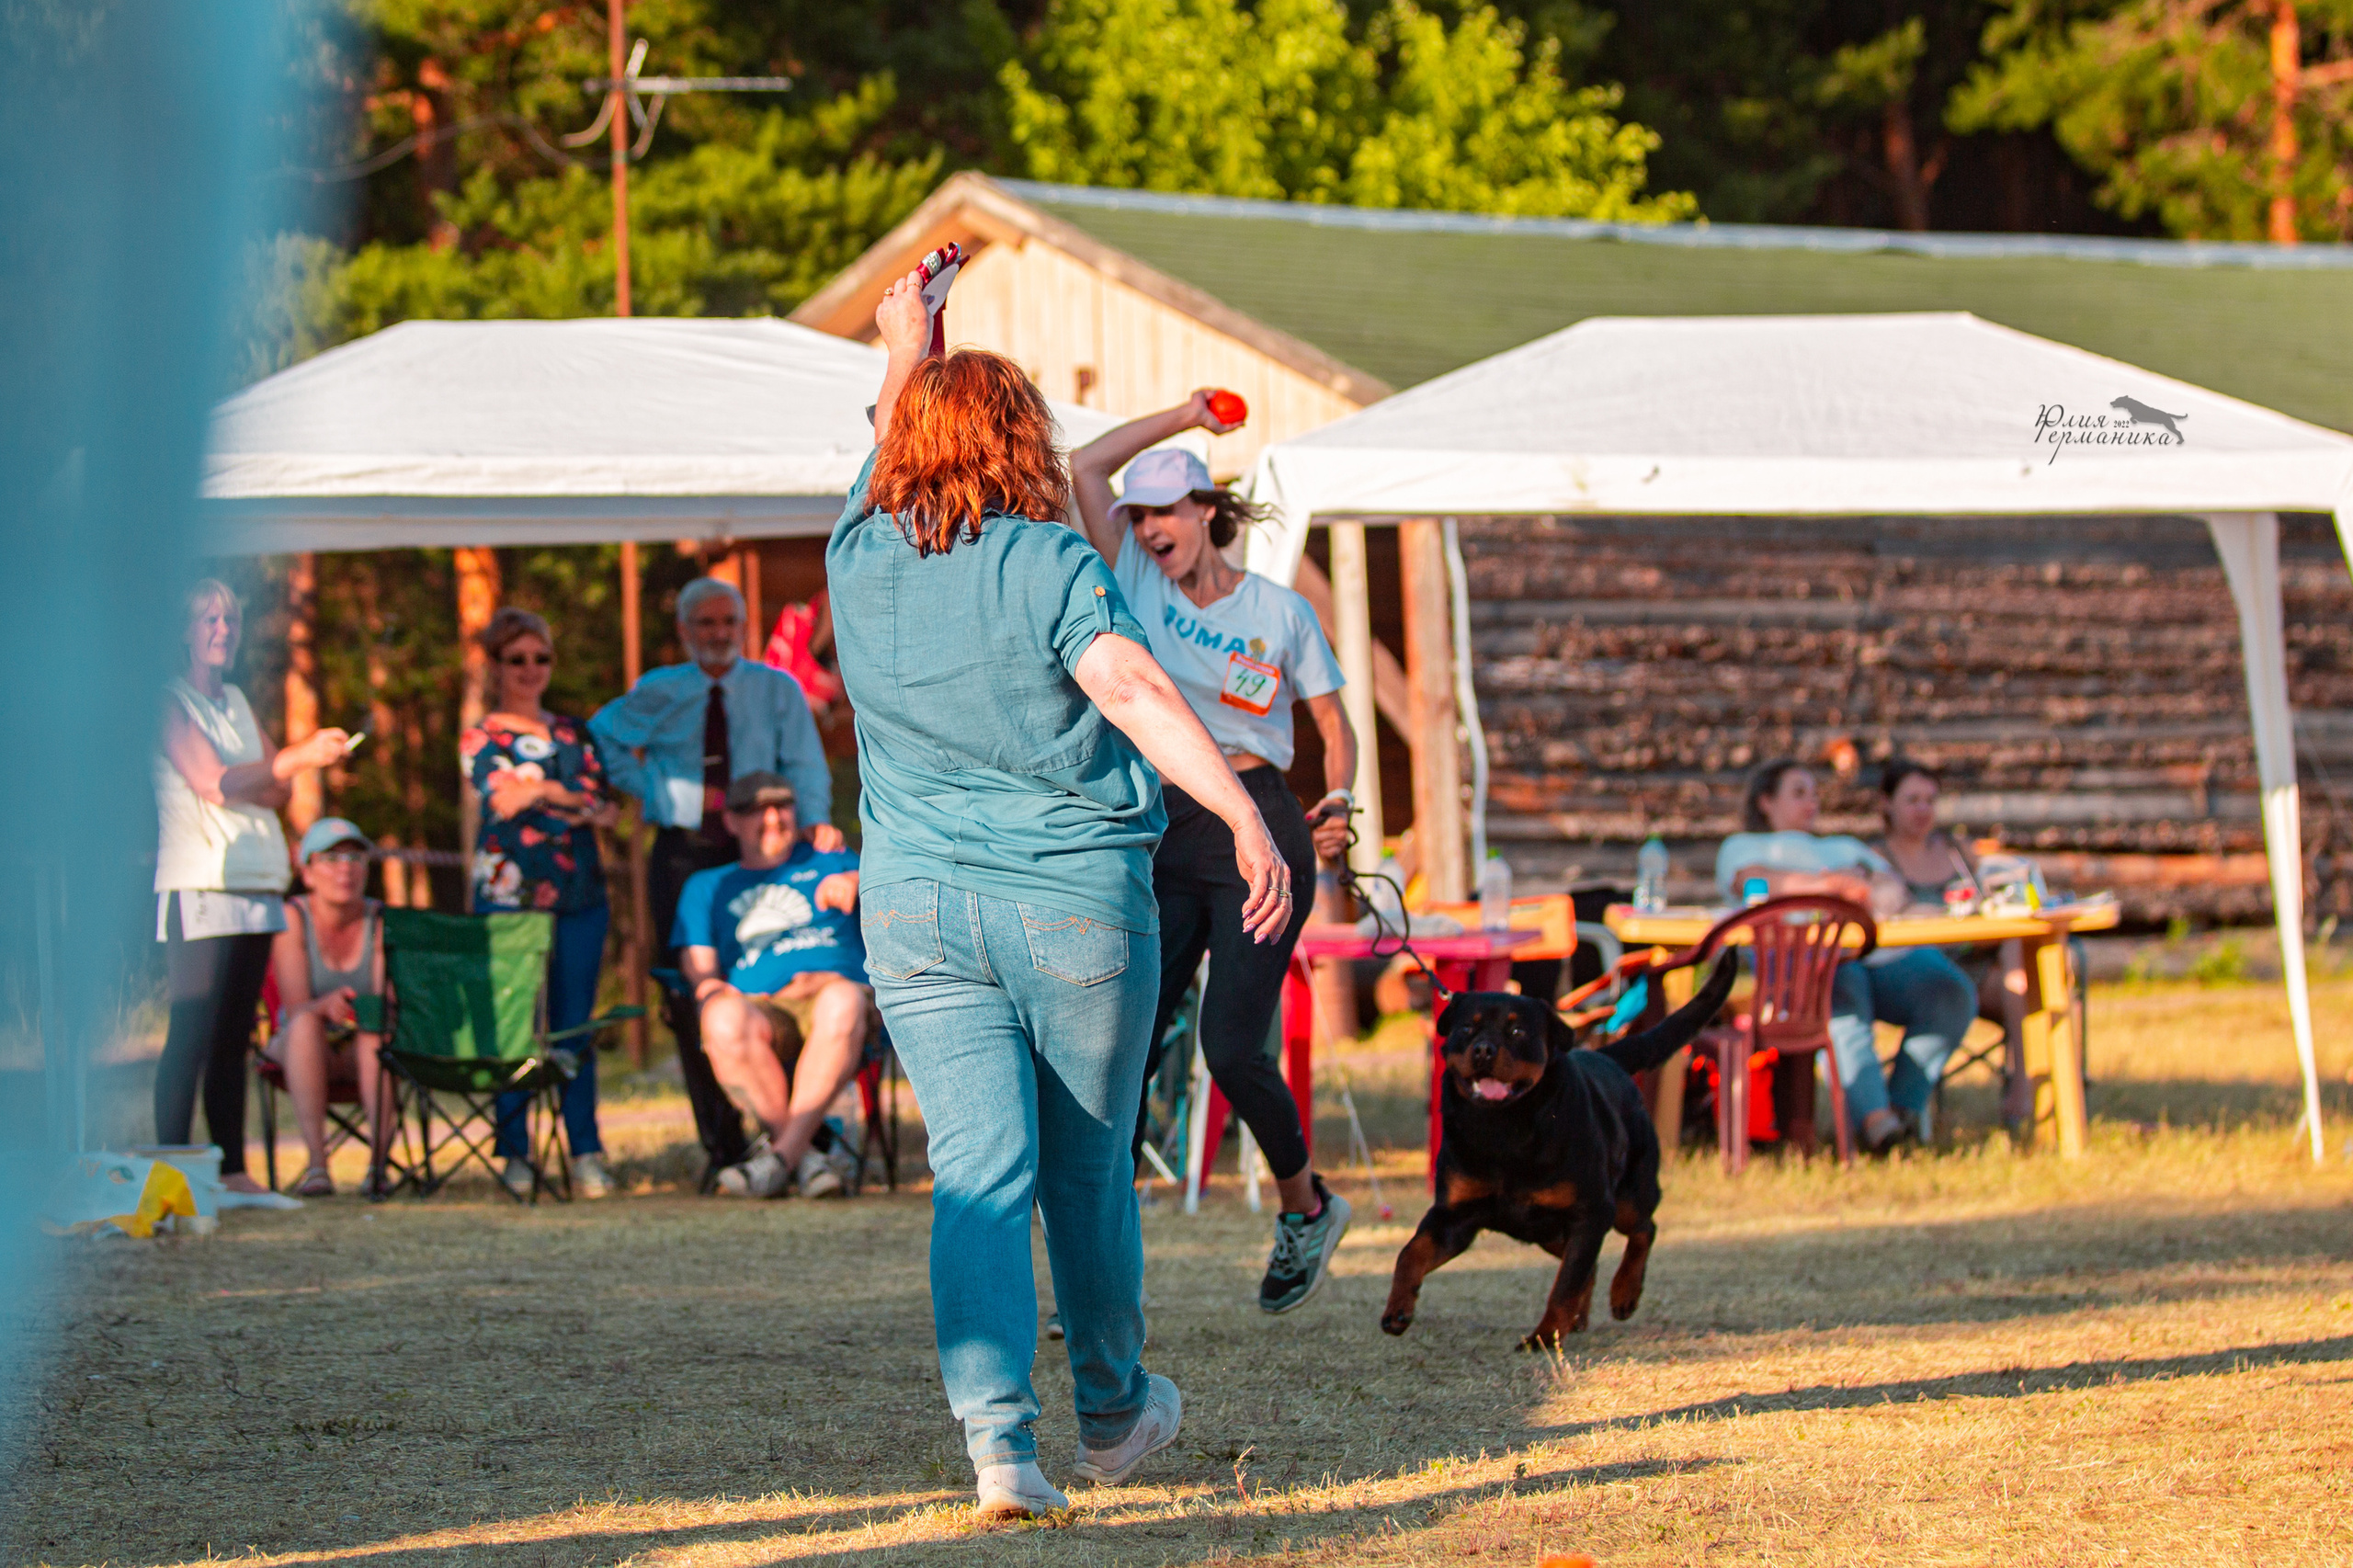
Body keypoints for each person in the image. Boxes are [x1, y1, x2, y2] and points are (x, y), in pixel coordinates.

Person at [829, 268, 1290, 1518]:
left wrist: (903, 342)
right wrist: (1244, 810)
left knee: (979, 1171)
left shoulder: (857, 554)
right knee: (1084, 1171)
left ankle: (998, 1451)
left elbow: (885, 449)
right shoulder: (1045, 561)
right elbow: (1133, 688)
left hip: (915, 913)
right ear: (1027, 443)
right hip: (1075, 903)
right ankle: (1112, 1409)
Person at [1069, 394, 1358, 1313]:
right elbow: (1083, 466)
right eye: (1140, 515)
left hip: (1259, 818)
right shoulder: (1134, 580)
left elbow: (1332, 725)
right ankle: (1094, 1271)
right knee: (1120, 1046)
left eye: (1167, 511)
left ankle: (1305, 1207)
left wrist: (1340, 799)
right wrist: (1185, 413)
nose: (1151, 528)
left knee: (1231, 1045)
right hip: (1164, 818)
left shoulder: (1279, 609)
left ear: (1207, 512)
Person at [589, 578, 843, 1186]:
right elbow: (602, 738)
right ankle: (725, 1144)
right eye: (705, 624)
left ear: (742, 626)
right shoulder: (660, 691)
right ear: (685, 631)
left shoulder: (775, 689)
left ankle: (792, 1133)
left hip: (760, 850)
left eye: (728, 622)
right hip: (683, 852)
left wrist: (815, 826)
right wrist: (664, 794)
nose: (718, 634)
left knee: (767, 981)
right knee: (689, 993)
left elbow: (805, 765)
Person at [154, 578, 350, 1210]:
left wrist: (269, 774)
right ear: (183, 631)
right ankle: (173, 1170)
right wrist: (287, 762)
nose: (222, 629)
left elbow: (274, 789)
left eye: (231, 619)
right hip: (200, 881)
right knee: (191, 1028)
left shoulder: (236, 699)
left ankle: (231, 1171)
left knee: (235, 1032)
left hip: (256, 880)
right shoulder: (167, 701)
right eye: (208, 619)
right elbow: (214, 782)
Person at [1715, 758, 1977, 1154]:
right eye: (1798, 792)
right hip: (1803, 969)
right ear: (1766, 801)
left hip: (1876, 957)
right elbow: (1753, 882)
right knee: (1842, 987)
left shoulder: (1841, 847)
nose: (1811, 802)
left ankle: (1902, 1106)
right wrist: (1832, 885)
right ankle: (1877, 1125)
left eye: (1815, 793)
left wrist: (1864, 886)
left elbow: (1891, 890)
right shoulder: (1744, 847)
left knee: (1949, 989)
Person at [464, 607, 620, 1199]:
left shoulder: (574, 732)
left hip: (580, 894)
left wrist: (543, 791)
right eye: (517, 660)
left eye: (541, 658)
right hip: (509, 899)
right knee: (515, 1028)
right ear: (496, 666)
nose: (530, 670)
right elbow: (502, 801)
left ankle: (585, 1151)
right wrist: (565, 793)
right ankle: (514, 1152)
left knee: (573, 1028)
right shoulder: (482, 734)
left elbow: (605, 808)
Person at [673, 773, 868, 1200]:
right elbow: (700, 970)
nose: (773, 818)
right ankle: (806, 1160)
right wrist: (714, 993)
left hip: (839, 1000)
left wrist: (860, 882)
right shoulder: (707, 886)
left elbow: (895, 902)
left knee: (842, 999)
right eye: (756, 809)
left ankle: (777, 1162)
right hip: (762, 1012)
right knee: (720, 1014)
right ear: (730, 821)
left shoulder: (832, 859)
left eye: (782, 806)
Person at [1874, 758, 2030, 1122]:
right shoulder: (1876, 860)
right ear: (1887, 804)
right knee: (1966, 988)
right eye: (1912, 800)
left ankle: (2032, 1089)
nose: (1923, 810)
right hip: (1913, 970)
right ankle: (1899, 1107)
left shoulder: (1958, 854)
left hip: (1970, 962)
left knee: (2032, 977)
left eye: (1930, 800)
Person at [265, 818, 390, 1199]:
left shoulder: (381, 919)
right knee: (305, 1024)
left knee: (375, 1031)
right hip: (300, 1045)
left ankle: (379, 1166)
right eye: (331, 858)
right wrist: (325, 1006)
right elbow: (295, 1005)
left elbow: (389, 1000)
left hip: (363, 1047)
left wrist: (362, 1010)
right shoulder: (292, 918)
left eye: (355, 857)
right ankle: (317, 1165)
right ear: (307, 872)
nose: (345, 868)